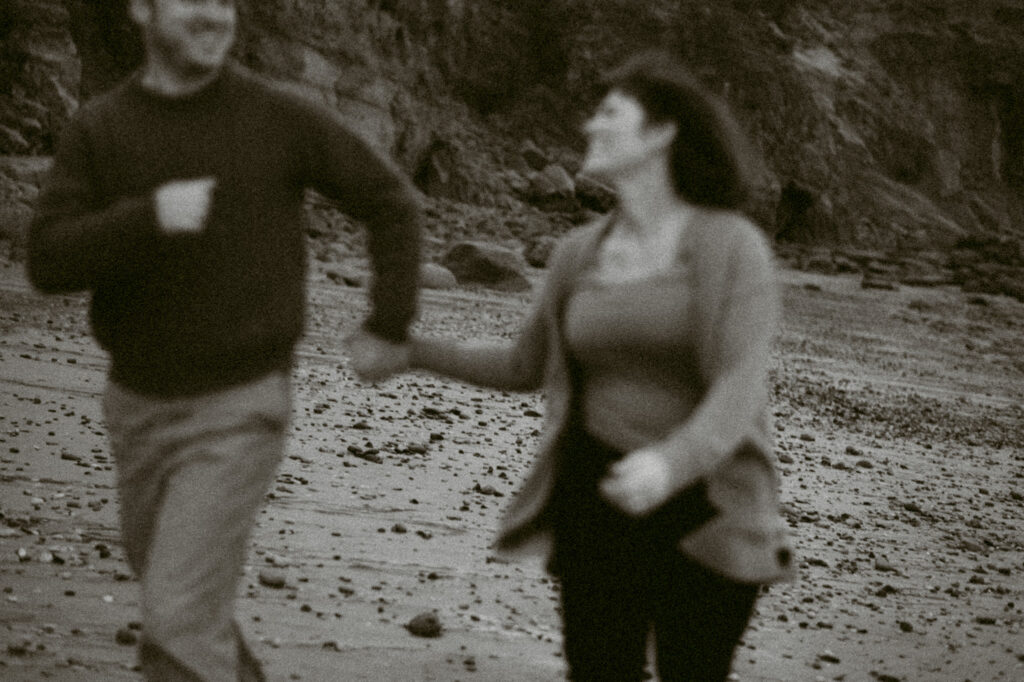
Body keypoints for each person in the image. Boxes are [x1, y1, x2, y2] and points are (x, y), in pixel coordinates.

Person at [27, 0, 420, 679]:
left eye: (223, 1)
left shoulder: (278, 118)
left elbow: (391, 201)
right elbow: (48, 260)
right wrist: (149, 218)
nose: (213, 14)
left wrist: (389, 323)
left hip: (241, 407)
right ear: (142, 10)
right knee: (182, 606)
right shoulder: (102, 127)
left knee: (176, 616)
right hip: (136, 410)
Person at [405, 50, 794, 681]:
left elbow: (739, 383)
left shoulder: (730, 245)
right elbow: (523, 363)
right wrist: (412, 351)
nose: (589, 127)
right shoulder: (579, 252)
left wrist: (669, 464)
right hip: (597, 497)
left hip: (710, 505)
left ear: (662, 132)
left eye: (610, 113)